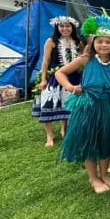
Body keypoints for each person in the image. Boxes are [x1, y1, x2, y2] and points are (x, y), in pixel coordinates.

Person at [55, 9, 110, 194]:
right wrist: (71, 88)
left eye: (108, 42)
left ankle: (105, 174)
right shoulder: (86, 59)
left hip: (109, 105)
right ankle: (93, 178)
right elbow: (60, 73)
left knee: (107, 139)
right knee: (91, 140)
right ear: (94, 43)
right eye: (99, 41)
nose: (103, 45)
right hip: (89, 106)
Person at [32, 16, 83, 147]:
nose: (65, 29)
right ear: (57, 27)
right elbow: (45, 61)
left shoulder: (78, 43)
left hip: (74, 77)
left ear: (73, 28)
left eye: (68, 26)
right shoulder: (51, 41)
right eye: (62, 26)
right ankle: (49, 136)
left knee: (68, 104)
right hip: (55, 76)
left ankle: (64, 130)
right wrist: (43, 79)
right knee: (48, 103)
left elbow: (83, 60)